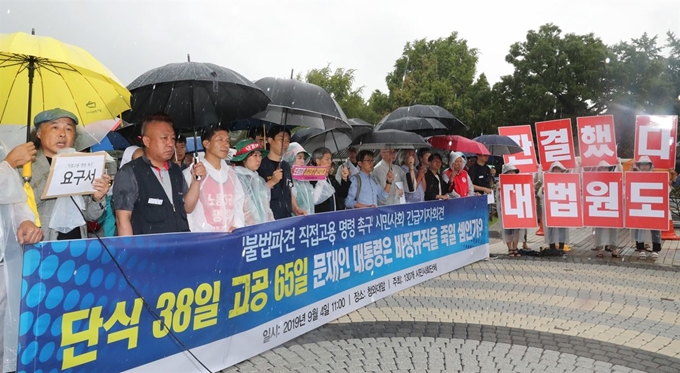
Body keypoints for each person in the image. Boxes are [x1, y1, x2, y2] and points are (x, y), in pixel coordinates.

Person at [29, 108, 111, 241]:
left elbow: (90, 216)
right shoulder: (26, 166)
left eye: (68, 129)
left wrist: (98, 198)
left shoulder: (82, 164)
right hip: (42, 244)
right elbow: (23, 210)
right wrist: (55, 177)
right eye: (55, 127)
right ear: (38, 133)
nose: (62, 134)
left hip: (77, 244)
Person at [0, 141, 43, 372]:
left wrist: (25, 220)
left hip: (5, 263)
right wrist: (8, 164)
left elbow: (14, 199)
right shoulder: (7, 158)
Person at [113, 113, 190, 235]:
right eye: (164, 138)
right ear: (147, 141)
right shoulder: (130, 172)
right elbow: (123, 220)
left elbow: (187, 207)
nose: (170, 143)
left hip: (180, 245)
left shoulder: (175, 171)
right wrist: (129, 251)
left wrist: (197, 180)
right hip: (149, 249)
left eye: (173, 138)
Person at [183, 125, 246, 232]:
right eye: (220, 140)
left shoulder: (231, 174)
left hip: (230, 238)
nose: (226, 144)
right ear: (206, 143)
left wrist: (238, 227)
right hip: (205, 240)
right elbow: (189, 208)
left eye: (227, 140)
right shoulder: (192, 172)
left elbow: (238, 204)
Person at [257, 125, 306, 219]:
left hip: (286, 219)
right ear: (270, 140)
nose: (285, 144)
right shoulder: (260, 166)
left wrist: (296, 209)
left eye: (288, 141)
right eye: (281, 140)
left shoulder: (286, 166)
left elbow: (289, 190)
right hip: (269, 221)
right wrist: (272, 182)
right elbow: (256, 195)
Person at [232, 140, 275, 225]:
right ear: (244, 158)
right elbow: (244, 208)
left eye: (260, 156)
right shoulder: (236, 177)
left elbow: (266, 207)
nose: (259, 159)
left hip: (262, 228)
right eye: (255, 155)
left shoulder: (259, 180)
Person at [631, 156, 662, 259]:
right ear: (639, 166)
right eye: (642, 165)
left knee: (656, 228)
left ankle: (656, 249)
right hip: (640, 205)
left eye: (646, 164)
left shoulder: (657, 176)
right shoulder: (634, 177)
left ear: (650, 165)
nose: (644, 167)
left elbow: (664, 190)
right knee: (640, 227)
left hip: (654, 205)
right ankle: (641, 249)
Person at [592, 160, 621, 258]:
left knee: (613, 228)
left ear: (609, 169)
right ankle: (600, 249)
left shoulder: (615, 178)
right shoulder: (594, 180)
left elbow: (621, 188)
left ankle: (614, 249)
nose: (604, 170)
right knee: (599, 228)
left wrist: (619, 164)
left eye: (606, 168)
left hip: (612, 206)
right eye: (601, 168)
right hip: (599, 206)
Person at [540, 161, 570, 252]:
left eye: (558, 169)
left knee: (562, 226)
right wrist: (543, 191)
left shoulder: (566, 180)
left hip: (562, 207)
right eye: (555, 169)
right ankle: (552, 245)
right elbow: (540, 193)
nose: (557, 171)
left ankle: (561, 245)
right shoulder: (547, 180)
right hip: (551, 208)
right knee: (551, 227)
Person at [309, 147, 350, 212]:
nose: (330, 162)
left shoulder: (331, 178)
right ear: (318, 161)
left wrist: (344, 178)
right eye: (327, 159)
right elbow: (314, 200)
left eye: (330, 159)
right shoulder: (311, 178)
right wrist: (321, 180)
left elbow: (342, 194)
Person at [499, 163, 525, 256]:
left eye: (513, 171)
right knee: (508, 230)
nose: (512, 173)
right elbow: (498, 198)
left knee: (517, 229)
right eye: (509, 172)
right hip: (506, 209)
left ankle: (515, 247)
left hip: (517, 208)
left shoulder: (519, 182)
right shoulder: (500, 183)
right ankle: (509, 248)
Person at [282, 142, 315, 216]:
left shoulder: (304, 180)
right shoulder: (287, 180)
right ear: (290, 159)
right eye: (299, 158)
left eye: (303, 158)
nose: (302, 161)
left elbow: (314, 199)